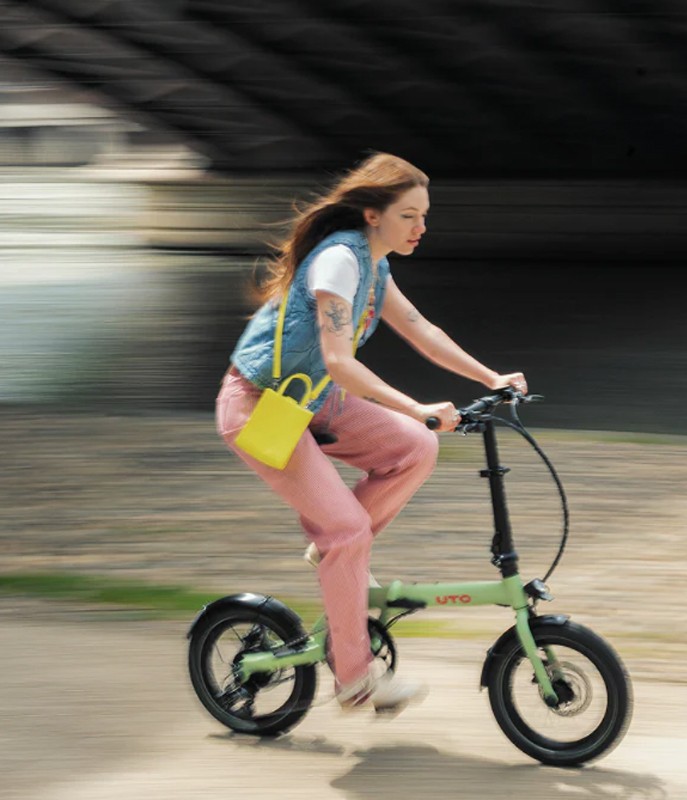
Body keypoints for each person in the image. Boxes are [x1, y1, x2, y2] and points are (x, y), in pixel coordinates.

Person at [216, 152, 527, 712]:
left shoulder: (375, 266)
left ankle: (334, 551)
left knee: (415, 447)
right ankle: (355, 681)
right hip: (260, 406)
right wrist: (415, 405)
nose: (420, 227)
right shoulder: (339, 261)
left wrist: (491, 377)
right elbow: (339, 361)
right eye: (409, 215)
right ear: (371, 215)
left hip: (309, 399)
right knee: (350, 527)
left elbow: (422, 330)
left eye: (424, 216)